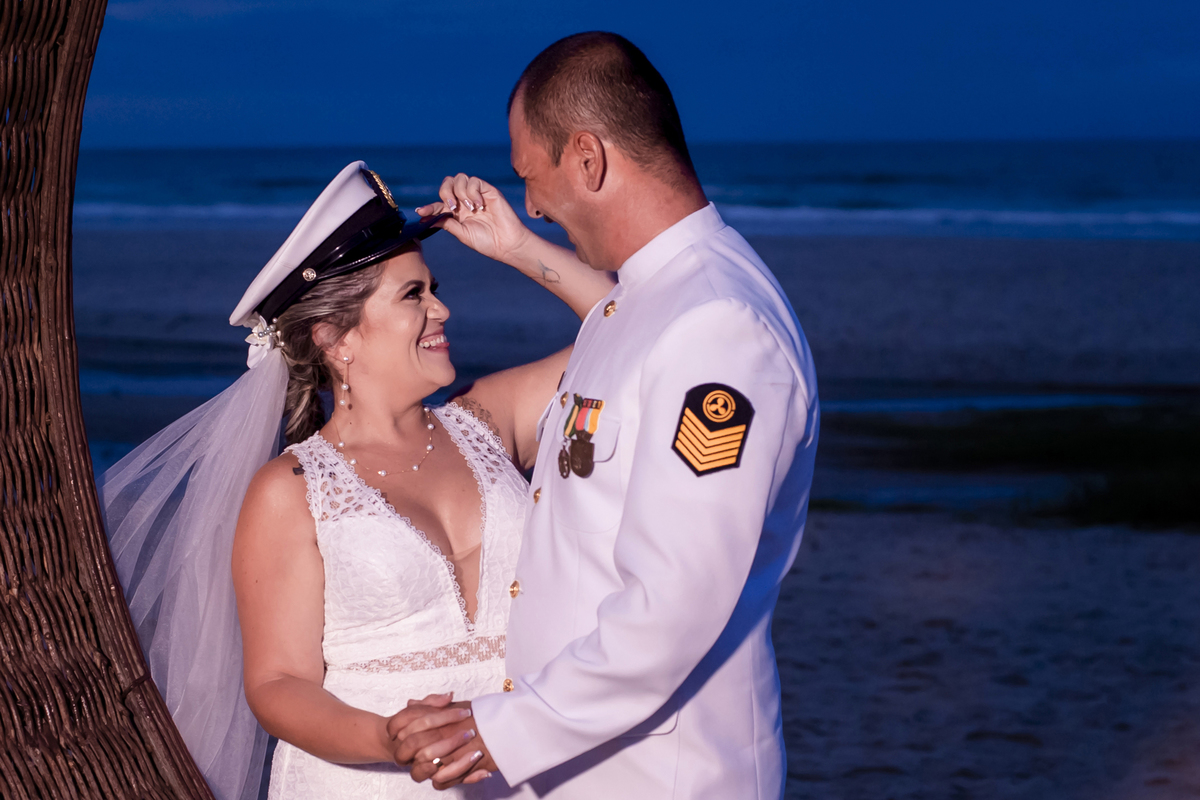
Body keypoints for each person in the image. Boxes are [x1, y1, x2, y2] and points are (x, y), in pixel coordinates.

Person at [388, 32, 819, 799]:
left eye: (531, 177)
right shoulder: (652, 301)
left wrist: (503, 730)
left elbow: (675, 602)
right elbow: (616, 319)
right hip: (591, 766)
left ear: (587, 158)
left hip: (663, 774)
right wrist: (518, 248)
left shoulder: (716, 325)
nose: (533, 205)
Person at [99, 160, 613, 799]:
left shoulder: (492, 419)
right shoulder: (289, 490)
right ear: (336, 339)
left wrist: (518, 246)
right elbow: (277, 684)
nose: (442, 309)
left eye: (433, 288)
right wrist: (388, 738)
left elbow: (626, 327)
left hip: (525, 774)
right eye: (412, 295)